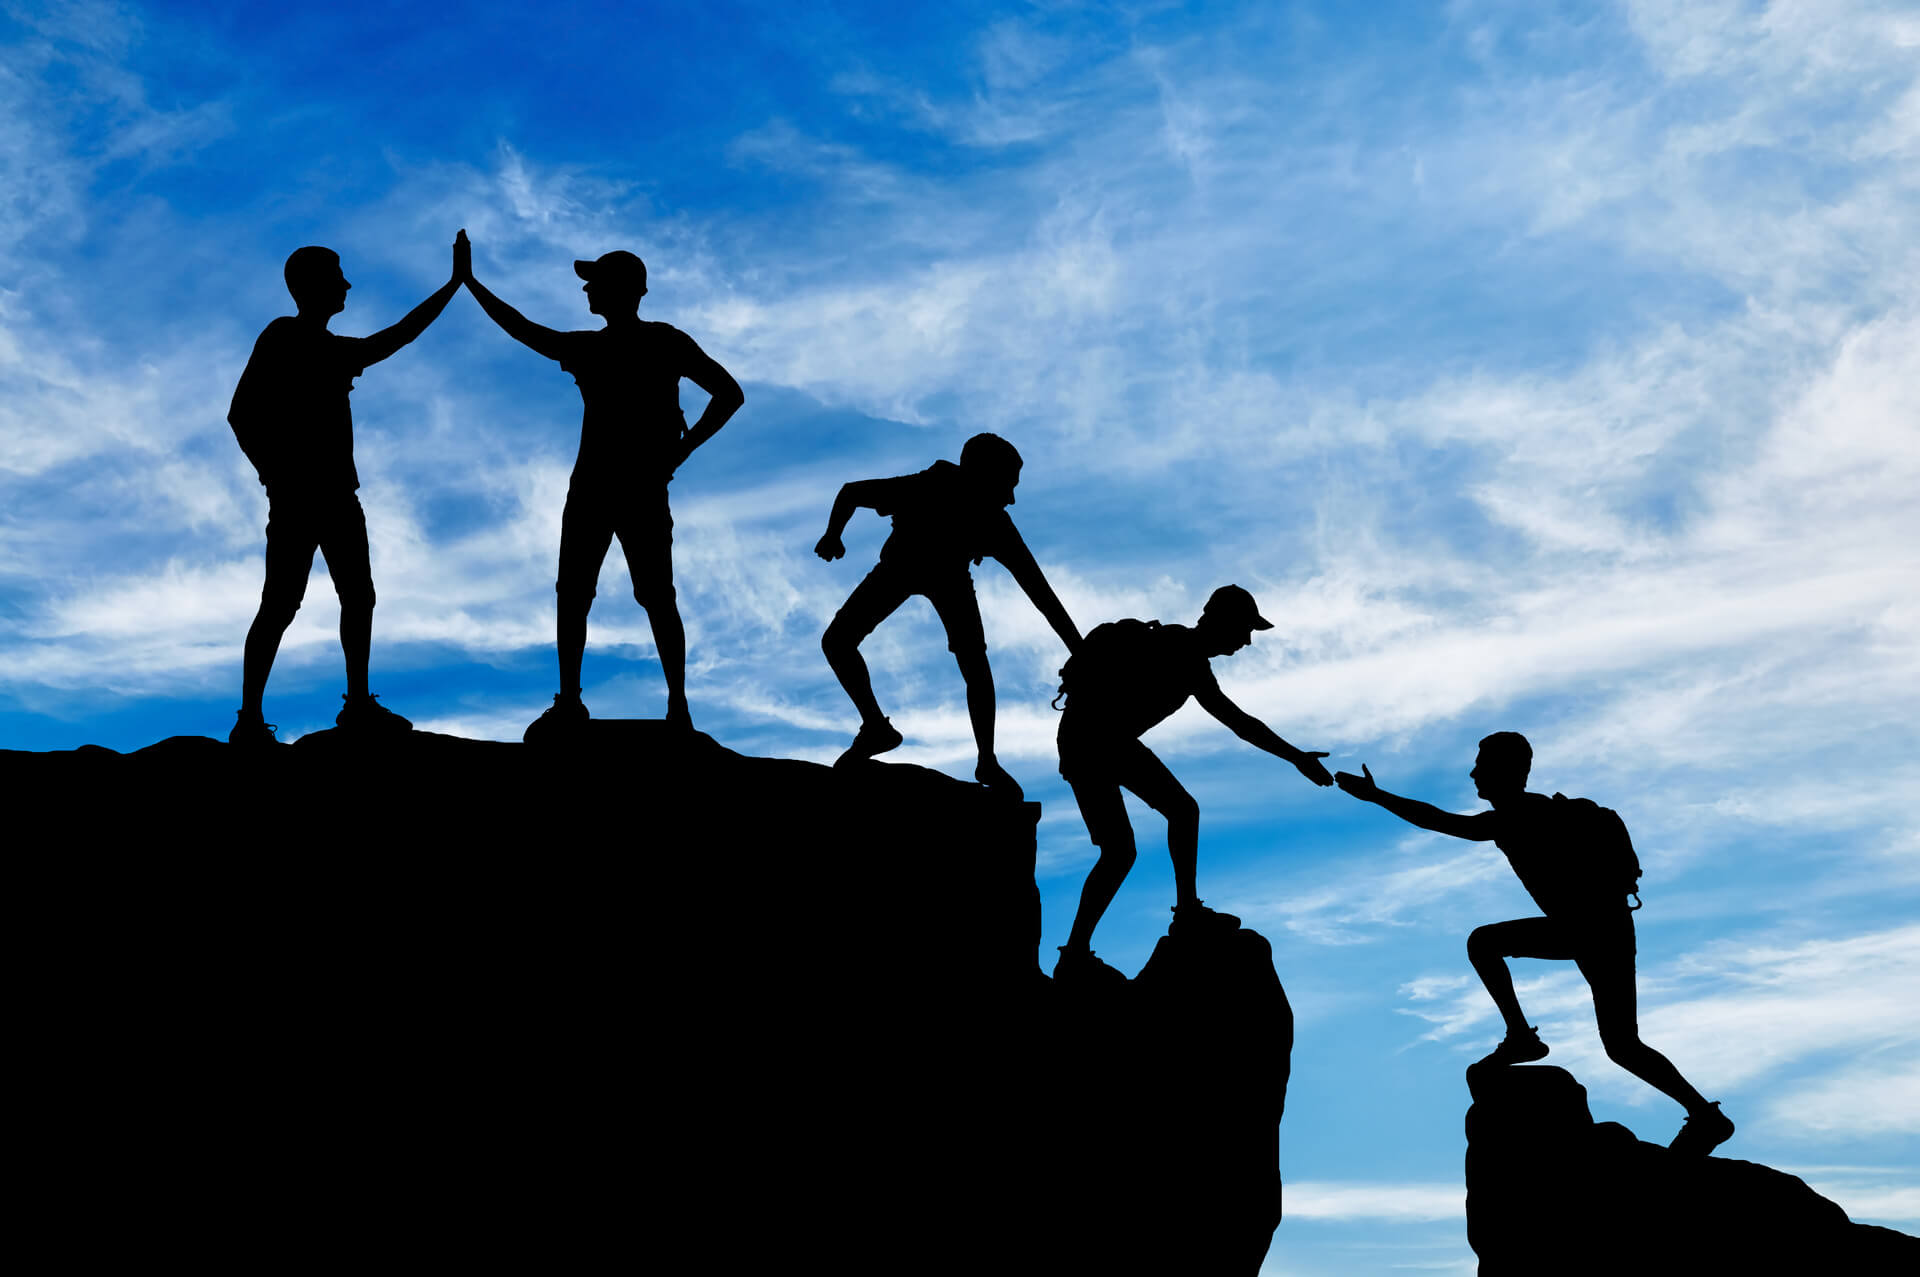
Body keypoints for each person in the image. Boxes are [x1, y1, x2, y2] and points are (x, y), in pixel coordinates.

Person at [1334, 732, 1735, 1156]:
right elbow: (1448, 821)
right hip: (1603, 930)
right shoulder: (1534, 812)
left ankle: (1522, 1037)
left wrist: (1376, 796)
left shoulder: (1519, 816)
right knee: (1622, 1045)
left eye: (1481, 764)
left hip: (1589, 930)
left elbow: (1442, 821)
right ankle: (1705, 1116)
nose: (1473, 773)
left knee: (1485, 944)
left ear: (1508, 771)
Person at [461, 242, 743, 734]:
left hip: (613, 487)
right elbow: (728, 394)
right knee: (609, 594)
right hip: (612, 487)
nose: (587, 289)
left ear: (623, 290)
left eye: (595, 282)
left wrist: (682, 450)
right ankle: (615, 703)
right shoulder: (634, 343)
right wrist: (682, 451)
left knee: (613, 594)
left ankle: (647, 704)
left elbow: (728, 394)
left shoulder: (635, 344)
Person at [226, 234, 464, 746]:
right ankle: (249, 719)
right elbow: (241, 414)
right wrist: (276, 474)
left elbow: (397, 336)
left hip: (337, 495)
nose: (347, 284)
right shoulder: (283, 337)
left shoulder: (333, 350)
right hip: (299, 496)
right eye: (338, 276)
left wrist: (452, 287)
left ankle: (355, 704)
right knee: (281, 603)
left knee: (357, 596)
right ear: (312, 285)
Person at [1053, 585, 1332, 978]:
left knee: (1129, 846)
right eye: (1245, 630)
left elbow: (1239, 723)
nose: (1248, 641)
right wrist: (1297, 758)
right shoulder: (1180, 650)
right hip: (1094, 739)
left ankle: (1079, 952)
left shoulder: (1189, 657)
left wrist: (1297, 757)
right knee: (1170, 819)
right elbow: (1239, 723)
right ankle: (1179, 917)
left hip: (1093, 740)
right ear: (1222, 622)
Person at [815, 434, 1081, 797]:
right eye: (1008, 486)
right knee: (837, 642)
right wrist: (832, 535)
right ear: (983, 476)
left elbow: (1042, 595)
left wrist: (1080, 651)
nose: (1012, 498)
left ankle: (986, 760)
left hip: (947, 579)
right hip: (901, 568)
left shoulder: (994, 523)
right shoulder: (929, 487)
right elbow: (850, 492)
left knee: (975, 666)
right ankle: (877, 728)